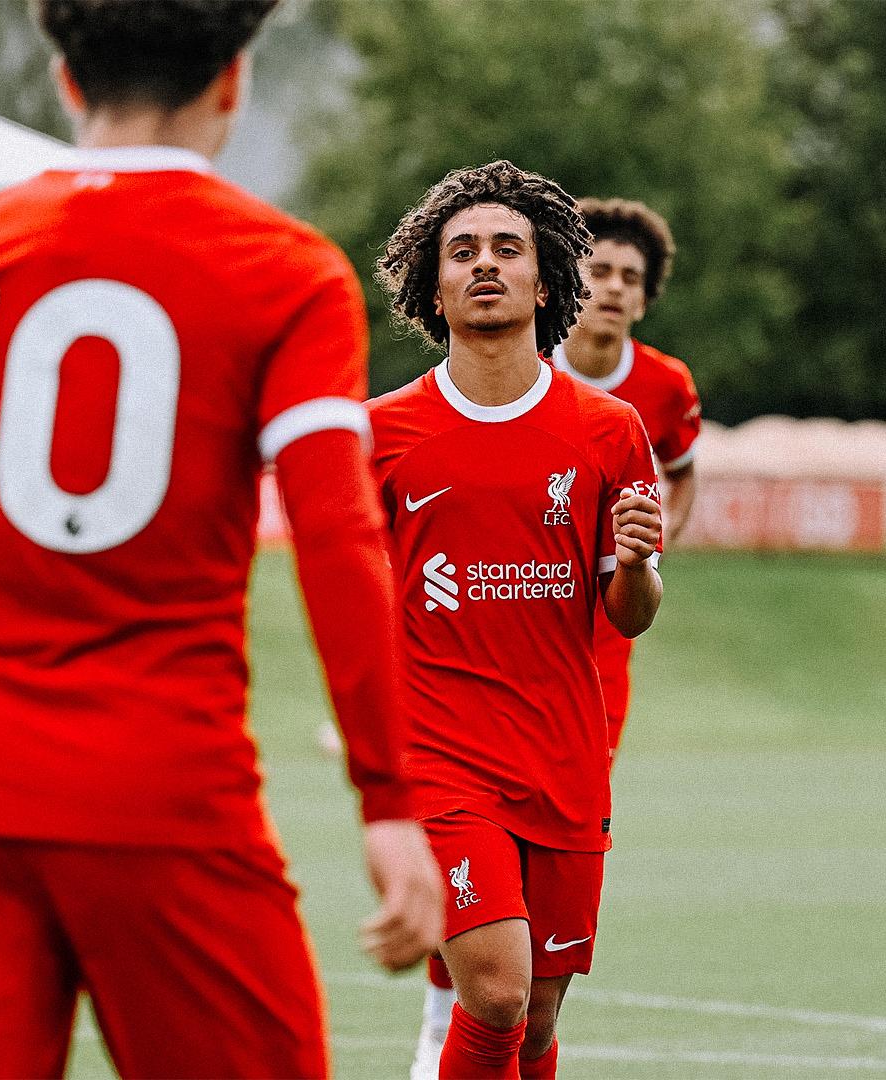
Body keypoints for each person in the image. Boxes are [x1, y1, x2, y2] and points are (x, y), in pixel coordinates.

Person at [0, 1, 443, 1075]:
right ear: (233, 82)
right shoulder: (286, 269)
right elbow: (336, 533)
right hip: (163, 785)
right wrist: (387, 796)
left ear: (68, 82)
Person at [367, 161, 663, 1079]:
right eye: (462, 252)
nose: (484, 264)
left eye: (507, 248)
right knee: (491, 993)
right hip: (444, 758)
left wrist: (642, 561)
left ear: (546, 280)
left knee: (533, 1019)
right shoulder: (379, 435)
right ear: (434, 283)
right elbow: (354, 602)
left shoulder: (609, 429)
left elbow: (631, 614)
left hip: (565, 760)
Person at [552, 197, 702, 759]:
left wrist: (654, 547)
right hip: (526, 589)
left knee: (590, 768)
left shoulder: (666, 385)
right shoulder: (524, 365)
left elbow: (682, 475)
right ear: (570, 279)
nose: (615, 287)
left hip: (608, 613)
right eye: (600, 271)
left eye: (630, 278)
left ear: (643, 298)